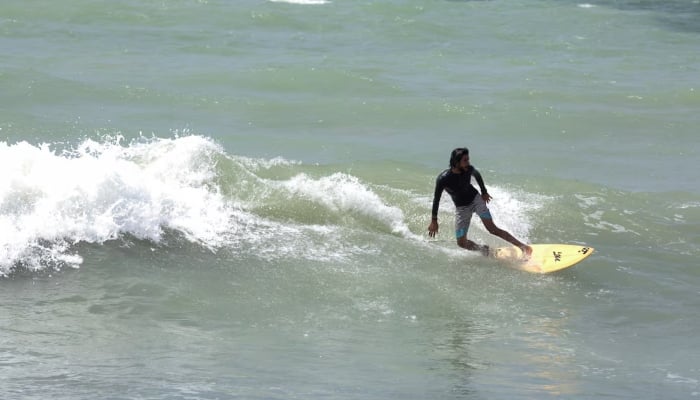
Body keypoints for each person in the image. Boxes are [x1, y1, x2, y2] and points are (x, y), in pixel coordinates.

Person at [428, 147, 532, 257]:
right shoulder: (443, 179)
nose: (468, 162)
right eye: (465, 160)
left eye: (468, 159)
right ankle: (484, 250)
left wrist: (484, 192)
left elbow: (476, 174)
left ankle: (524, 247)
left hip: (476, 200)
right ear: (456, 162)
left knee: (492, 229)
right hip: (462, 208)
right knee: (461, 243)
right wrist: (434, 220)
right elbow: (436, 199)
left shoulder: (468, 169)